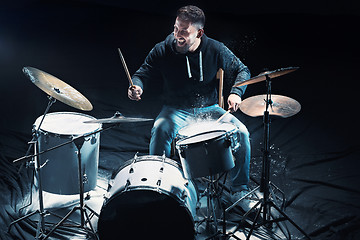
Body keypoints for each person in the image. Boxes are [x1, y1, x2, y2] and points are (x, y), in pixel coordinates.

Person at [128, 5, 252, 210]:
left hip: (210, 109)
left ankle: (239, 189)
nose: (177, 34)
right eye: (176, 28)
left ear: (199, 32)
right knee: (160, 130)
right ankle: (157, 187)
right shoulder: (163, 48)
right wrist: (136, 87)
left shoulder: (214, 48)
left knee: (242, 132)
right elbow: (142, 73)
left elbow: (242, 70)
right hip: (176, 109)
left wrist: (235, 93)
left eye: (184, 31)